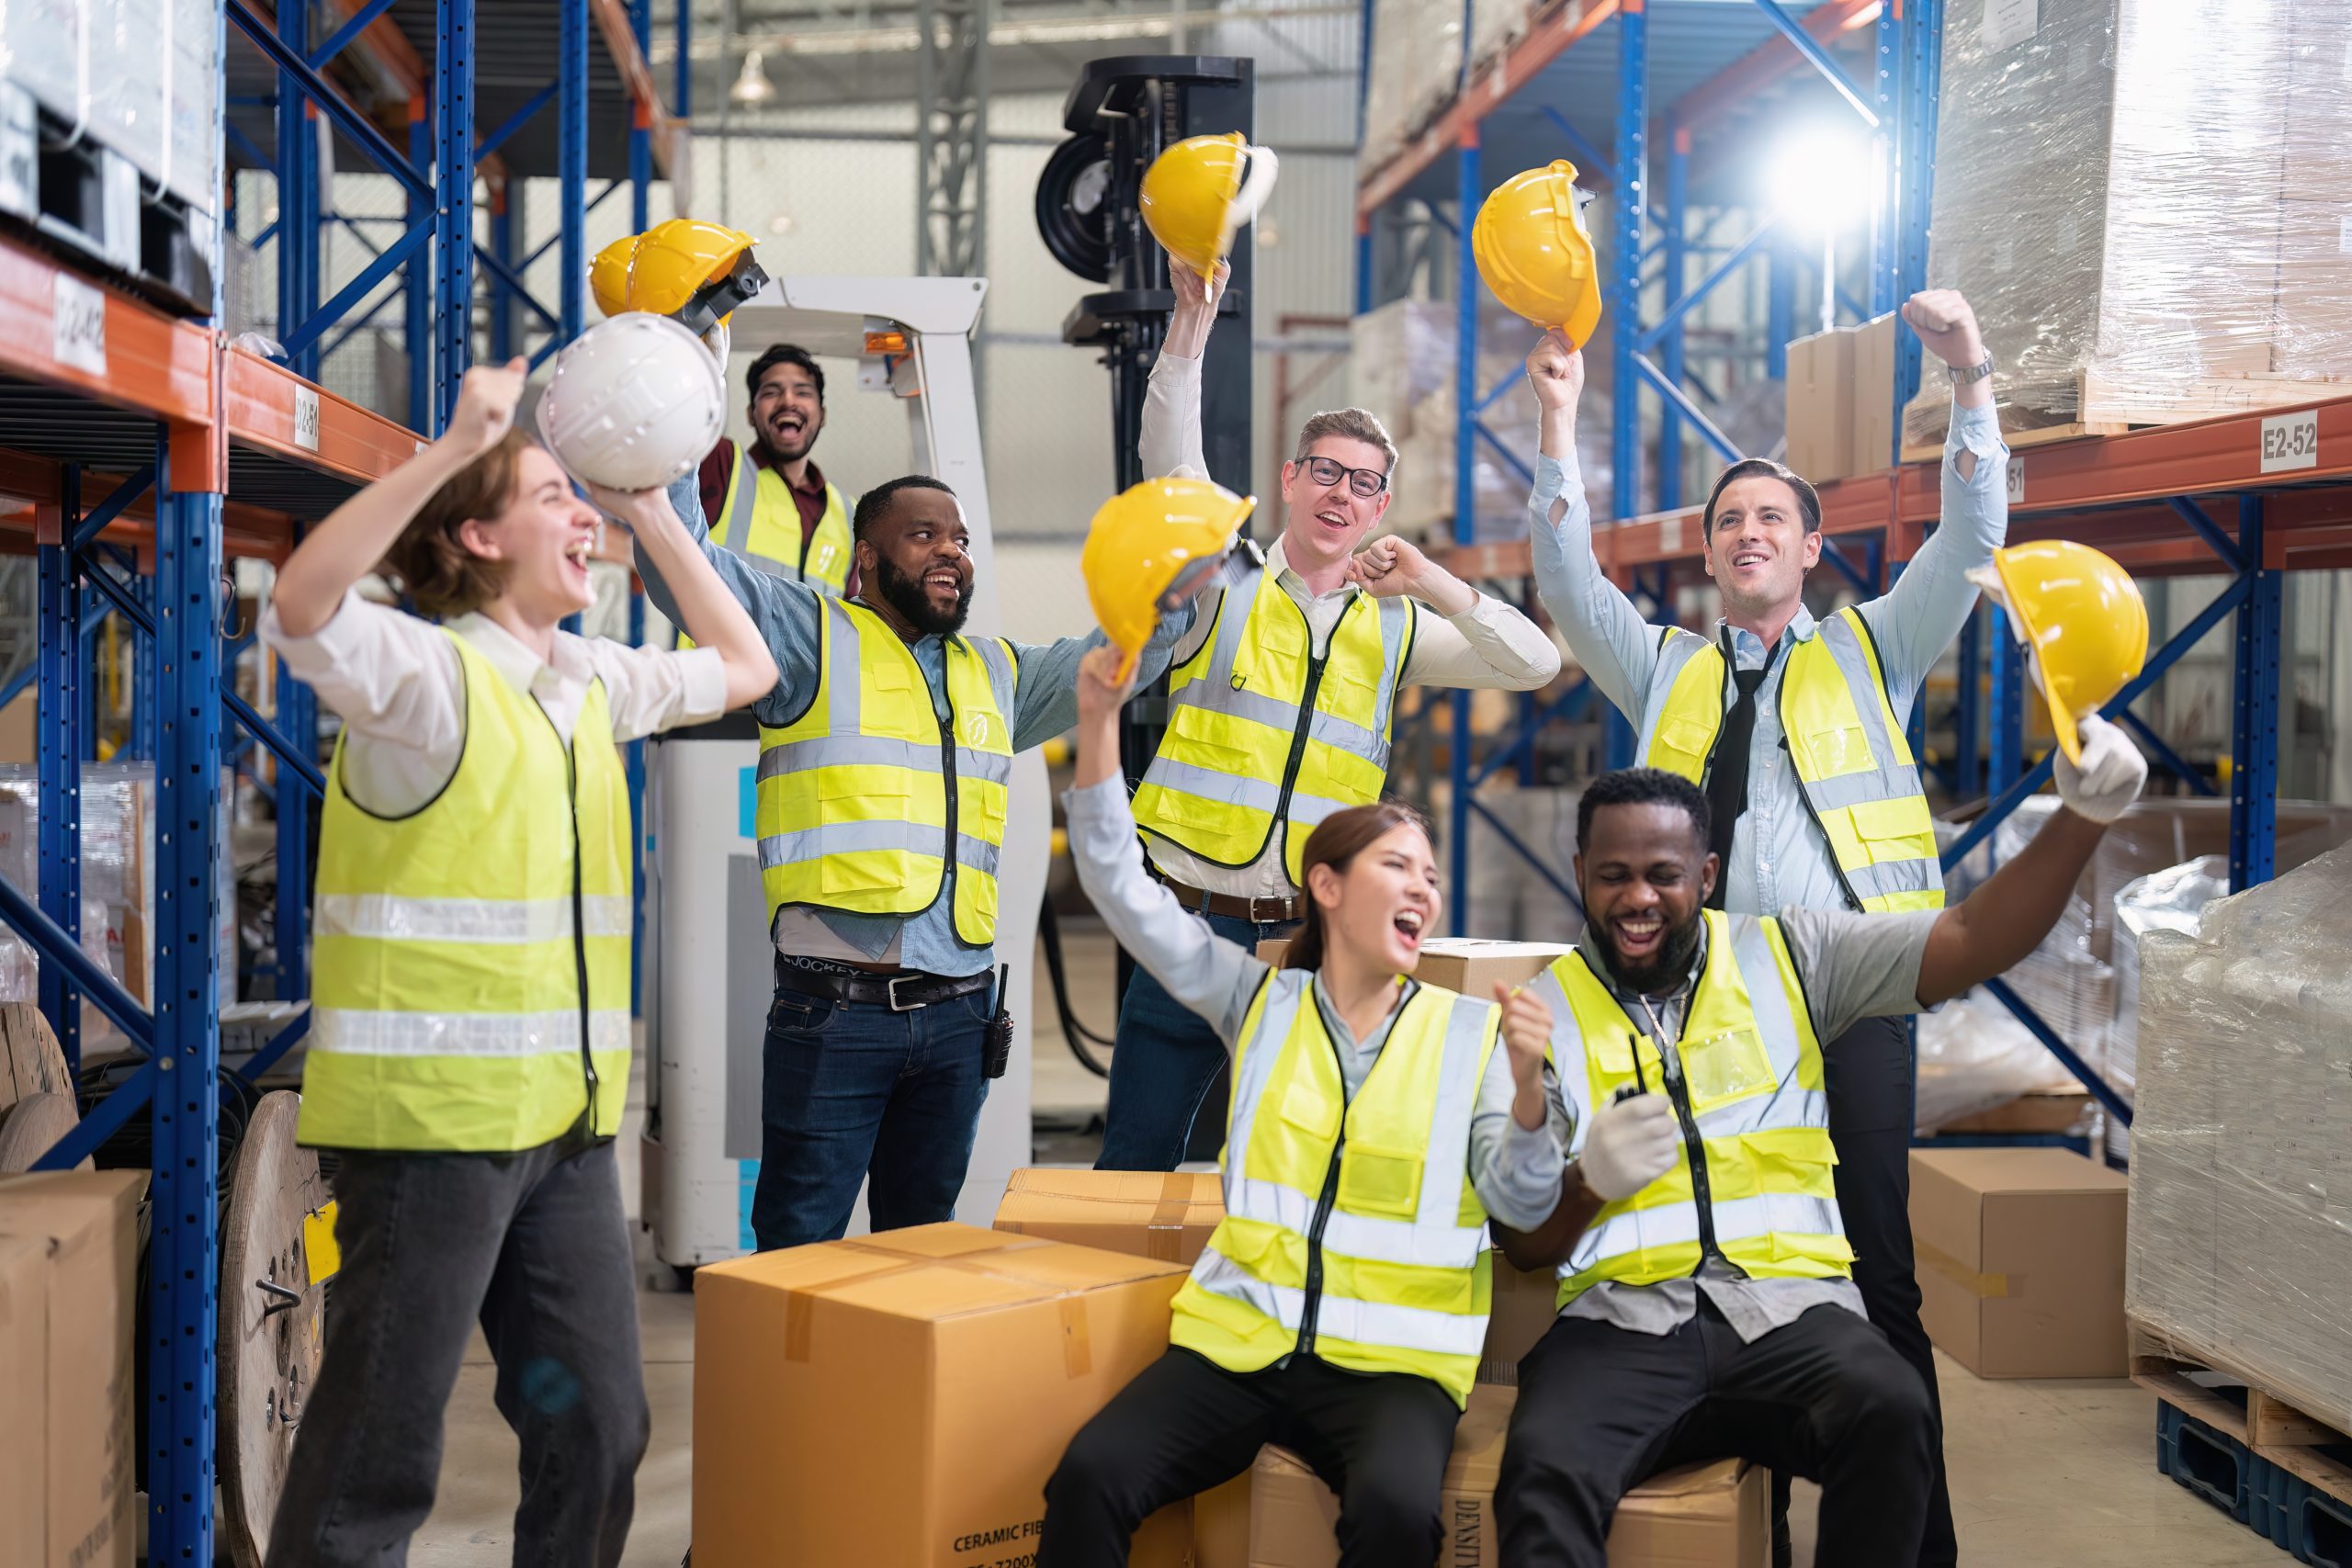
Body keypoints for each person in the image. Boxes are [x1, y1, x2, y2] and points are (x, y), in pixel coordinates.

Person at [259, 361, 779, 1567]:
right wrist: (450, 449)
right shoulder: (427, 681)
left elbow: (745, 665)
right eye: (555, 496)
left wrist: (650, 504)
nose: (578, 514)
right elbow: (301, 606)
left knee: (600, 1424)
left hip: (565, 1131)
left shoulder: (587, 682)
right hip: (429, 1139)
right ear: (481, 534)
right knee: (378, 1455)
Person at [1523, 289, 2005, 1565]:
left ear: (1809, 548)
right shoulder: (1665, 665)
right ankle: (1747, 1508)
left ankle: (1918, 1547)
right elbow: (1566, 581)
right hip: (1694, 1008)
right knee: (1717, 1270)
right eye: (1729, 518)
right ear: (1708, 551)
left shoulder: (1872, 649)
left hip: (1840, 995)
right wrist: (1558, 423)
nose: (1748, 532)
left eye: (1770, 518)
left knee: (1876, 1280)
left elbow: (1967, 541)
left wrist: (1968, 382)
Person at [1491, 728, 2148, 1567]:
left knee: (1891, 1406)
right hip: (1619, 1326)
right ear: (1581, 872)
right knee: (1540, 1470)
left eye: (1664, 875)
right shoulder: (1538, 1018)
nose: (1638, 899)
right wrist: (1586, 1184)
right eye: (1614, 875)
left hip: (1788, 1314)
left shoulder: (1793, 955)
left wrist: (2082, 817)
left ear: (1707, 876)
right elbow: (1524, 1244)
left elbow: (1974, 936)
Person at [1043, 646, 1637, 1568]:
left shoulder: (1471, 1035)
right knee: (1089, 1474)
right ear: (1327, 886)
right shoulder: (1256, 1003)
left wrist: (1529, 1101)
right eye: (1397, 865)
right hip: (1238, 1347)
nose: (1422, 889)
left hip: (1391, 1371)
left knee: (1397, 1518)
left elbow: (1522, 1211)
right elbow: (1122, 887)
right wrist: (1093, 721)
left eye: (1430, 878)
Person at [639, 468, 1193, 1250]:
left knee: (920, 1254)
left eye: (961, 540)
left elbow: (1121, 658)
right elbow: (679, 564)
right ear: (866, 557)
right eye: (925, 534)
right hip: (836, 1014)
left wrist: (1186, 579)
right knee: (801, 1248)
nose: (952, 553)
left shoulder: (999, 673)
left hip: (958, 1018)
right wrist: (675, 421)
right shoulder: (808, 635)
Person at [1099, 253, 1564, 1171]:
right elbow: (1170, 463)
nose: (1338, 493)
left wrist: (1431, 578)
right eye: (1324, 472)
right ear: (1290, 477)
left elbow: (1536, 662)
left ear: (1379, 507)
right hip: (1191, 920)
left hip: (1315, 938)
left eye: (1360, 483)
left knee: (1296, 1160)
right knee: (1139, 1159)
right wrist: (1190, 324)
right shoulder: (1220, 587)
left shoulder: (1392, 631)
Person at [695, 342, 857, 594]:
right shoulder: (722, 464)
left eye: (802, 392)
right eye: (771, 392)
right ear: (751, 413)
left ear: (822, 414)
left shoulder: (850, 515)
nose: (788, 401)